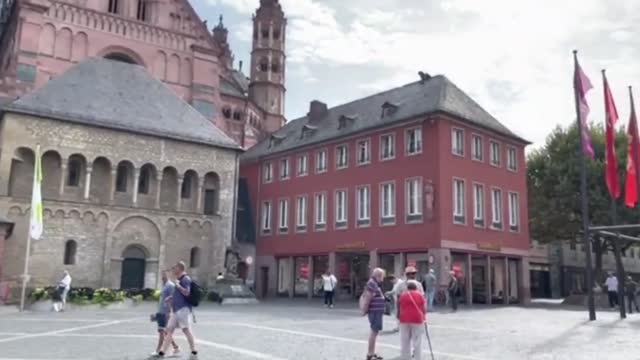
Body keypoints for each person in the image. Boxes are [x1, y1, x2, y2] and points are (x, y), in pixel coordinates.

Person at [155, 262, 198, 359]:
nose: (173, 270)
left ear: (179, 268)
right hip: (175, 310)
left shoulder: (186, 279)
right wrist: (171, 298)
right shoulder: (178, 280)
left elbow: (187, 293)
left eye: (174, 268)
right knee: (168, 330)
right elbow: (178, 294)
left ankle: (194, 350)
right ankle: (162, 352)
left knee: (186, 329)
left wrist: (178, 285)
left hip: (183, 309)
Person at [151, 271, 180, 357]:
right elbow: (162, 299)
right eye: (162, 275)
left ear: (168, 275)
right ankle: (176, 347)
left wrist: (168, 312)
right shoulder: (164, 285)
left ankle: (158, 350)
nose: (162, 276)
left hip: (165, 312)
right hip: (161, 311)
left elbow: (173, 298)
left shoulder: (170, 285)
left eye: (164, 275)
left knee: (162, 331)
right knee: (166, 332)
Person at [387, 266, 424, 332]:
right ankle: (398, 327)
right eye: (412, 273)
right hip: (405, 312)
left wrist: (423, 313)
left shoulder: (419, 284)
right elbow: (398, 300)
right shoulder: (401, 285)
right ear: (407, 275)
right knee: (405, 338)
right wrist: (398, 313)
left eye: (414, 273)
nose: (413, 275)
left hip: (416, 312)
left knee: (416, 338)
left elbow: (422, 300)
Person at [398, 280, 426, 360]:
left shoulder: (403, 295)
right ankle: (417, 357)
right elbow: (423, 308)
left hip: (404, 319)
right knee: (417, 341)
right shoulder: (420, 295)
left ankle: (405, 357)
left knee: (405, 341)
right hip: (417, 319)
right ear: (416, 287)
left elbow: (400, 307)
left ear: (407, 287)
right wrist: (424, 317)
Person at [364, 268, 386, 360]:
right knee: (374, 331)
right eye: (382, 277)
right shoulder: (372, 283)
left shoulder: (374, 283)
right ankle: (370, 354)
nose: (383, 279)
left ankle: (372, 352)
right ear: (378, 275)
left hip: (376, 311)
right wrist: (365, 309)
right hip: (375, 311)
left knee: (375, 332)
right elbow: (368, 297)